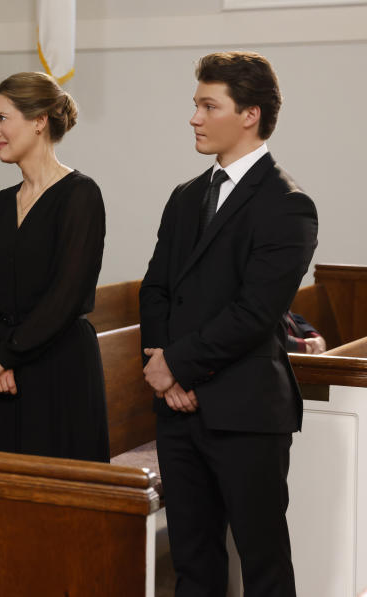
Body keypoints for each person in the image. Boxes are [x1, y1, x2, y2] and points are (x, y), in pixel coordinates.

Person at [139, 51, 318, 596]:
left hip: (245, 412)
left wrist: (178, 366)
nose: (193, 117)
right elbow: (156, 289)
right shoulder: (185, 196)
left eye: (207, 105)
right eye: (196, 104)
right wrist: (161, 363)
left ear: (250, 115)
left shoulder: (288, 205)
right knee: (193, 565)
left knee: (263, 565)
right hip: (178, 412)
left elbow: (254, 313)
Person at [0, 71, 108, 462]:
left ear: (38, 121)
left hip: (58, 369)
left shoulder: (80, 194)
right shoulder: (1, 202)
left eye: (2, 119)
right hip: (0, 373)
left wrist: (6, 356)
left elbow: (68, 294)